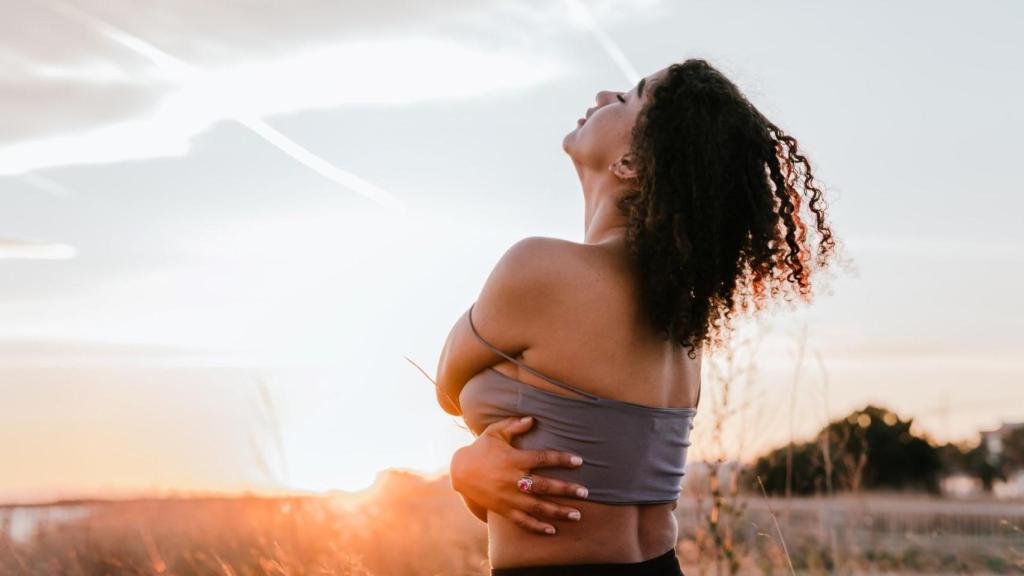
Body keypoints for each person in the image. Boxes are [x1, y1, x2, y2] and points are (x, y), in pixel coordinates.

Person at [434, 58, 839, 575]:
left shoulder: (540, 270)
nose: (604, 95)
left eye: (626, 98)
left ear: (630, 163)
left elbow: (446, 386)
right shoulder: (682, 322)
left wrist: (465, 466)